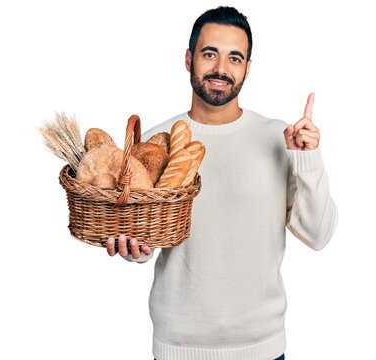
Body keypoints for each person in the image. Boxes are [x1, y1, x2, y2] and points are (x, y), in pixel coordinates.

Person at [106, 6, 338, 360]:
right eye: (209, 54)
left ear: (247, 68)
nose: (221, 69)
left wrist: (307, 157)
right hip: (177, 347)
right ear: (189, 59)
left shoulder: (280, 137)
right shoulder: (154, 142)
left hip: (263, 349)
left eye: (235, 58)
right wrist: (135, 249)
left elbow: (318, 234)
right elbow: (147, 236)